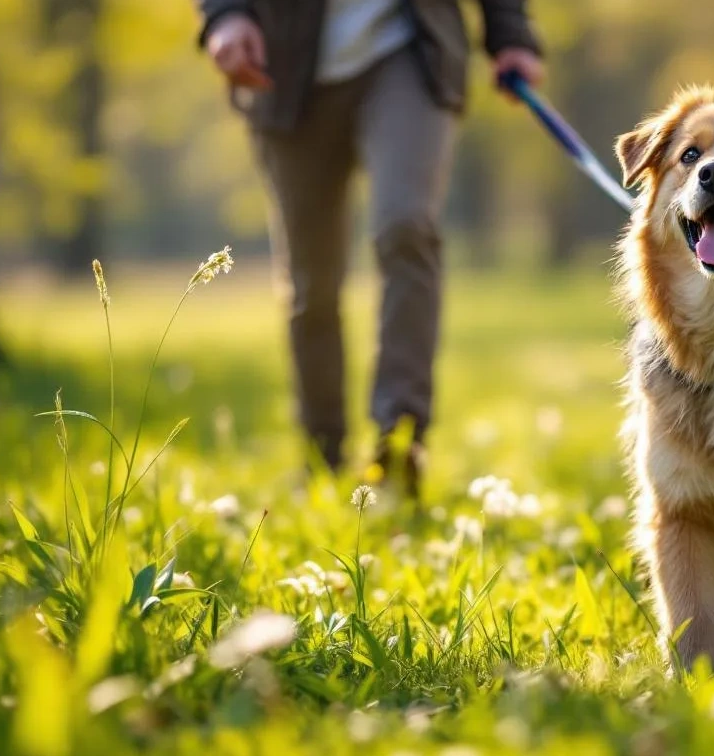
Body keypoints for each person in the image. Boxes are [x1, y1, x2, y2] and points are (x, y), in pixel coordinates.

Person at [195, 1, 544, 495]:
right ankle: (323, 456)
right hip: (287, 65)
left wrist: (511, 33)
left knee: (407, 227)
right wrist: (226, 14)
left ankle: (398, 450)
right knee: (310, 282)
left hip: (409, 48)